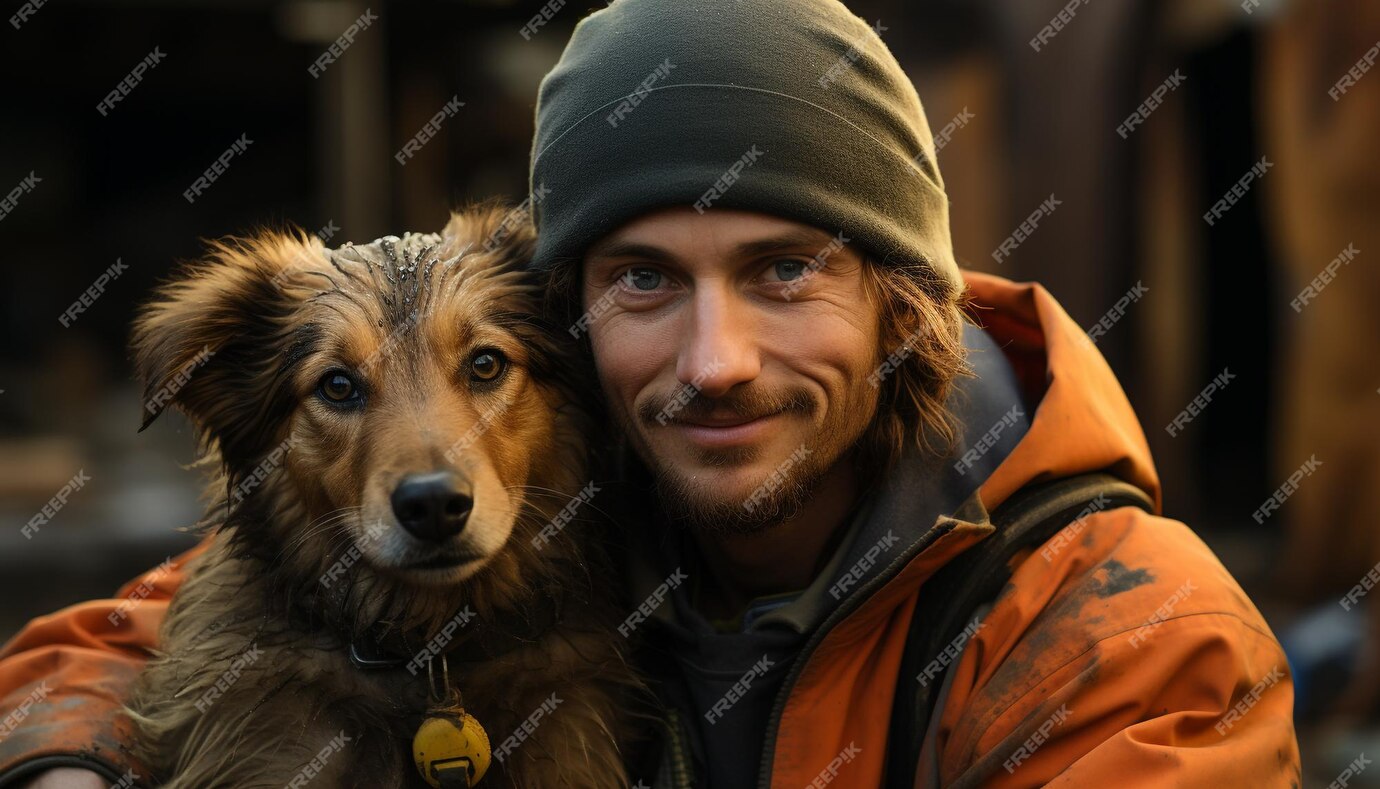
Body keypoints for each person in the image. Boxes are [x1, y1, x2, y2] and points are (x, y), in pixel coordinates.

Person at [0, 0, 1301, 786]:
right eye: (642, 280)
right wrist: (74, 759)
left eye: (785, 269)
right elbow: (150, 627)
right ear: (574, 326)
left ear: (908, 304)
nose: (715, 358)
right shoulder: (570, 495)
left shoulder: (1130, 641)